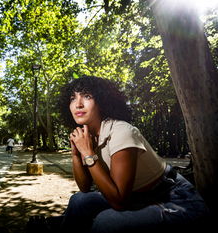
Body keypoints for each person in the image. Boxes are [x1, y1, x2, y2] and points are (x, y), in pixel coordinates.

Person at [56, 76, 209, 233]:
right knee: (79, 200)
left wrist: (88, 154)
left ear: (101, 102)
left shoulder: (121, 132)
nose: (78, 104)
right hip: (137, 198)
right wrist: (76, 153)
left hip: (177, 201)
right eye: (73, 98)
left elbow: (119, 202)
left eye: (87, 96)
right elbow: (85, 187)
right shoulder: (86, 136)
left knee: (107, 222)